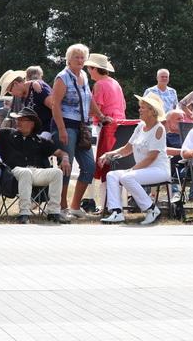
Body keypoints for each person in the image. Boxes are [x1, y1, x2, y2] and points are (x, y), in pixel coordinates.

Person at [0, 107, 72, 223]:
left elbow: (61, 153)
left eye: (22, 120)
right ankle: (24, 213)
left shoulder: (40, 140)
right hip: (13, 172)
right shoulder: (7, 134)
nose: (18, 122)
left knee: (57, 173)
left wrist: (65, 158)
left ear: (32, 123)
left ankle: (53, 212)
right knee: (25, 172)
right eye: (18, 119)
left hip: (36, 172)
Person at [49, 43, 106, 219]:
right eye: (76, 57)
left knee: (89, 166)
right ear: (68, 59)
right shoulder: (62, 77)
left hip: (82, 126)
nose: (80, 60)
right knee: (66, 165)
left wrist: (101, 116)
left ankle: (75, 206)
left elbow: (89, 98)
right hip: (65, 125)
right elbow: (55, 104)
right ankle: (62, 207)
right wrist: (61, 130)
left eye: (82, 57)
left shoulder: (84, 76)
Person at [99, 94, 170, 225]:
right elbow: (127, 149)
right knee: (112, 175)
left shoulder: (159, 129)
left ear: (152, 111)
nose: (139, 110)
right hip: (141, 170)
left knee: (127, 177)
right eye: (140, 107)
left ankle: (151, 209)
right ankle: (117, 212)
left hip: (159, 170)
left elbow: (151, 157)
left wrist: (132, 170)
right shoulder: (140, 126)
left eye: (143, 107)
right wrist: (108, 154)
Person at [86, 54, 124, 199]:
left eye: (89, 68)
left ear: (94, 68)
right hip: (120, 128)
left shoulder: (99, 85)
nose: (88, 71)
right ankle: (111, 200)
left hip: (105, 128)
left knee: (101, 164)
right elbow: (123, 106)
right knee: (115, 164)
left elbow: (95, 109)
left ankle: (98, 201)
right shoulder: (115, 83)